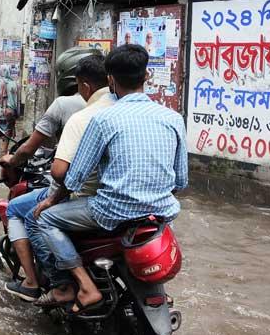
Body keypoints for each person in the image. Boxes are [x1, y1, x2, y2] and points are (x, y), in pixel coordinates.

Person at [34, 44, 188, 317]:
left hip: (111, 211)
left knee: (46, 219)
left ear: (110, 80)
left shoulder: (103, 118)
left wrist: (50, 201)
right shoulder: (173, 118)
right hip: (160, 213)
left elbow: (75, 179)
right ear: (147, 77)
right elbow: (181, 181)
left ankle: (83, 287)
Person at [0, 49, 93, 301]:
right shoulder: (115, 105)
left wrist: (11, 159)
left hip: (73, 190)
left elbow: (30, 147)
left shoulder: (64, 104)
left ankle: (35, 282)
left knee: (20, 211)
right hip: (105, 193)